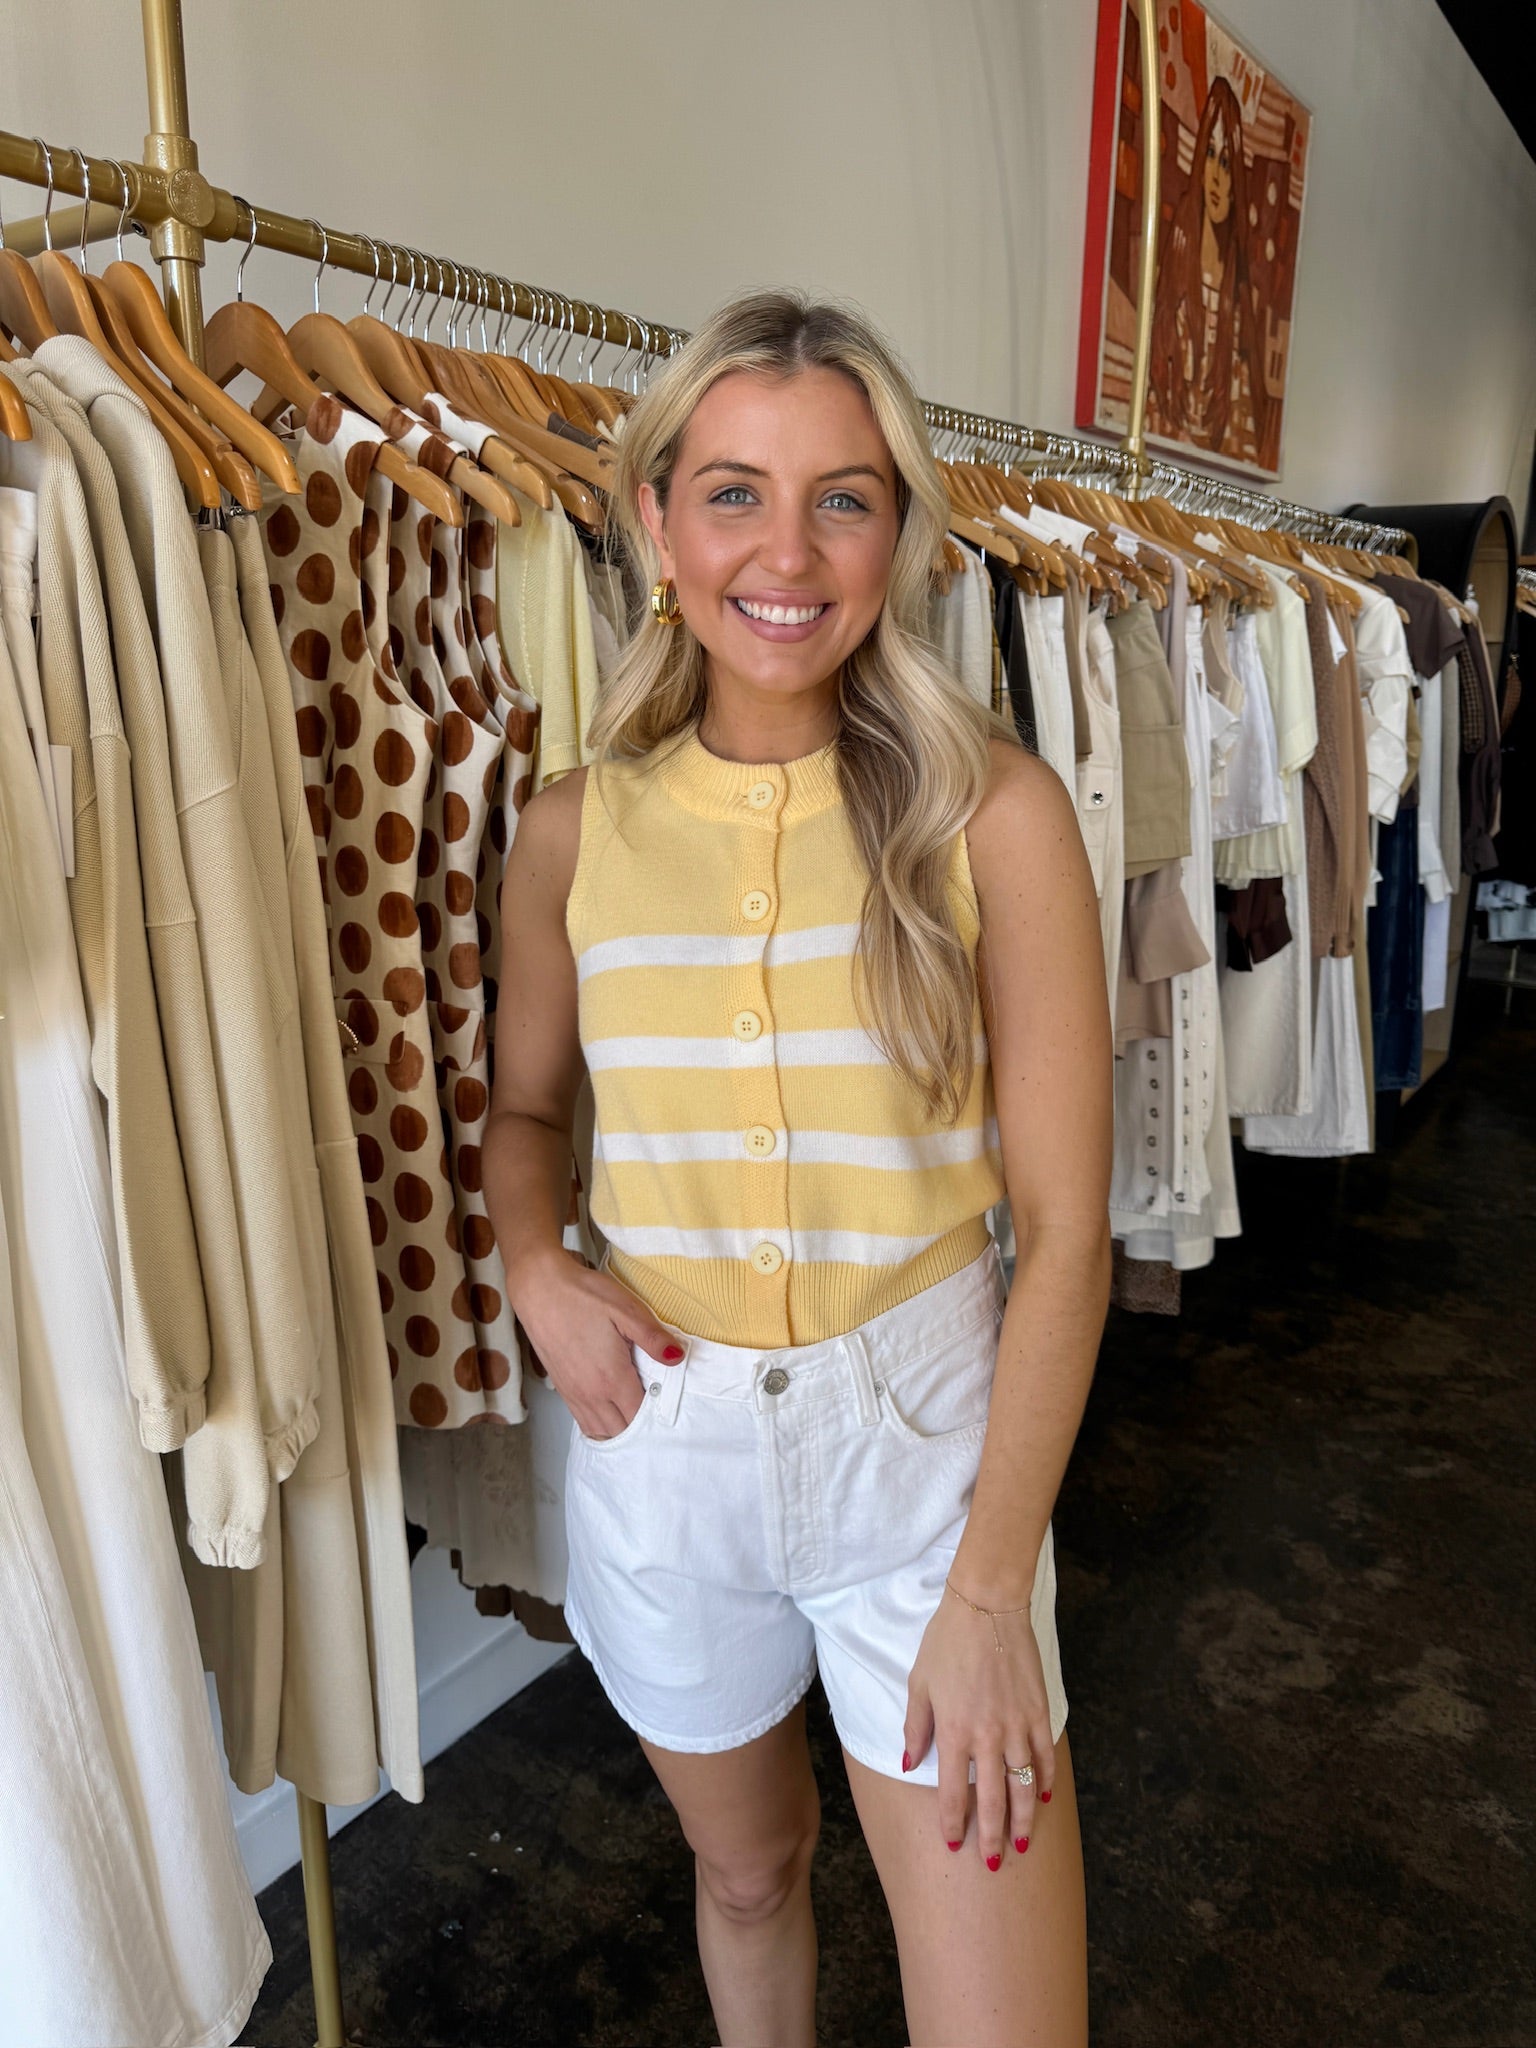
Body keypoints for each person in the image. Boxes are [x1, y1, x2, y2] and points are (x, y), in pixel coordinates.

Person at [484, 289, 1111, 2047]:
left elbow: (1067, 1233)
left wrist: (989, 1590)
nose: (787, 550)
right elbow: (524, 1116)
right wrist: (535, 1263)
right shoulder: (572, 830)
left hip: (926, 1468)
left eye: (843, 497)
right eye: (734, 493)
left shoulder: (996, 815)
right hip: (665, 1443)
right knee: (751, 1873)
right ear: (655, 521)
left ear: (898, 531)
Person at [1146, 73, 1266, 466]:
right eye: (1210, 155)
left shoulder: (1237, 304)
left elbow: (1244, 432)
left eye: (1226, 162)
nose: (1215, 175)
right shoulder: (1173, 267)